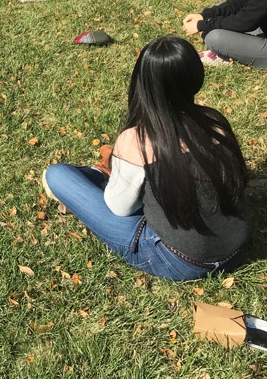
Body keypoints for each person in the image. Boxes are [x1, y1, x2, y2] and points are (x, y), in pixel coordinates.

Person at [42, 36, 249, 281]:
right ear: (196, 74)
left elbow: (120, 208)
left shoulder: (137, 139)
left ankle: (103, 173)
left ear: (143, 82)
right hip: (237, 251)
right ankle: (105, 171)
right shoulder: (215, 122)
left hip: (179, 261)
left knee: (57, 175)